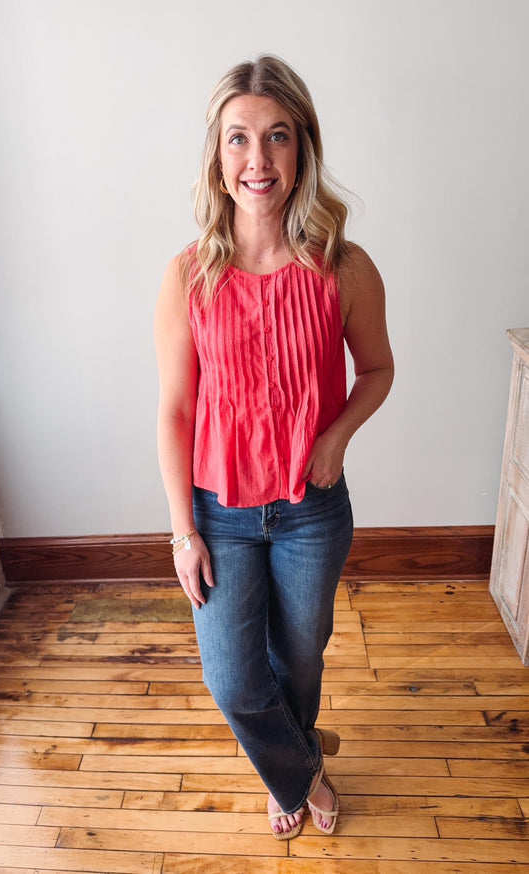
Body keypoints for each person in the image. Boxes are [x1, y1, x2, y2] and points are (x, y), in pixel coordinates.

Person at [154, 55, 394, 840]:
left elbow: (379, 371)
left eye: (277, 138)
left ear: (301, 151)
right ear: (217, 160)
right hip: (218, 513)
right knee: (232, 679)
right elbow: (174, 411)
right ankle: (298, 766)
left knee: (301, 659)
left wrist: (336, 435)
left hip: (310, 512)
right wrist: (182, 532)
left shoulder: (345, 268)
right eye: (238, 140)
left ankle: (288, 769)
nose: (257, 160)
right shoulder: (187, 277)